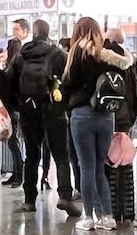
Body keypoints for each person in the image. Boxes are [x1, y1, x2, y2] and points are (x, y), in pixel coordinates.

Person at [61, 16, 134, 231]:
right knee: (100, 166)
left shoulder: (77, 52)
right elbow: (125, 68)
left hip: (82, 115)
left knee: (86, 166)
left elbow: (69, 83)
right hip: (106, 116)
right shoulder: (108, 54)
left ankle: (89, 216)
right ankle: (108, 217)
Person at [8, 18, 82, 217]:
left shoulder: (21, 55)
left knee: (31, 156)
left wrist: (20, 105)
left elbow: (9, 82)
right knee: (61, 156)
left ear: (33, 33)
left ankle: (29, 200)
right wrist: (63, 103)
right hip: (54, 111)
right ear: (49, 32)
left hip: (28, 112)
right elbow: (70, 79)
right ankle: (65, 196)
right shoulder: (57, 54)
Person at [102, 28, 137, 225]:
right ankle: (128, 212)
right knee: (125, 162)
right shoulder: (131, 60)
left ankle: (110, 211)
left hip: (107, 116)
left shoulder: (103, 58)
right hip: (126, 118)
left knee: (109, 163)